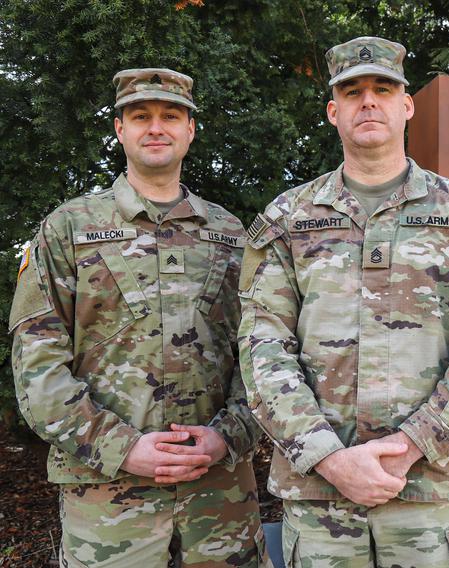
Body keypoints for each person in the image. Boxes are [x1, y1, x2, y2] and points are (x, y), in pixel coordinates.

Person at [238, 36, 449, 567]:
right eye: (352, 91)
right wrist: (329, 457)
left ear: (406, 105)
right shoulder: (287, 219)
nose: (368, 101)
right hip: (320, 496)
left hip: (427, 493)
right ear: (333, 111)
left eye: (383, 88)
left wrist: (411, 444)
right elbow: (262, 348)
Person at [9, 68, 269, 567]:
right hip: (109, 500)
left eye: (171, 116)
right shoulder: (68, 228)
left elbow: (260, 353)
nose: (156, 127)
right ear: (119, 129)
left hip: (219, 499)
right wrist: (121, 446)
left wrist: (227, 437)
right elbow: (37, 367)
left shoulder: (231, 234)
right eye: (140, 116)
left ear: (190, 130)